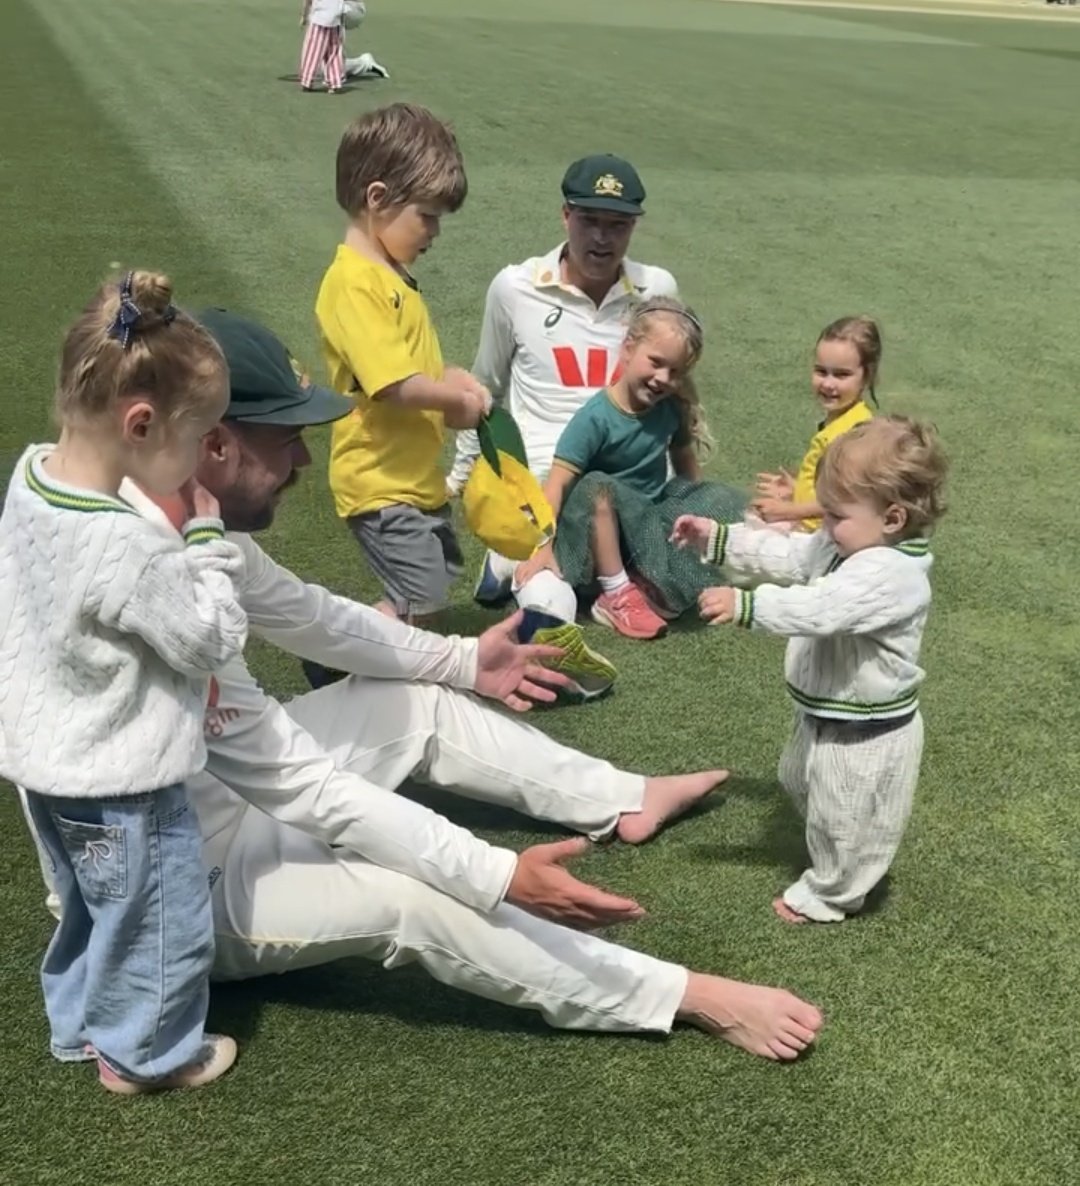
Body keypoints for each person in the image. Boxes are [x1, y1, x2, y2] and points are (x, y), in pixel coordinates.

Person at [18, 308, 824, 1062]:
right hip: (178, 885)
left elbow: (315, 617)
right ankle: (684, 994)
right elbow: (304, 785)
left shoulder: (166, 513)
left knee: (412, 702)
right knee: (415, 895)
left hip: (211, 805)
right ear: (213, 442)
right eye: (288, 438)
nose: (304, 459)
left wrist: (469, 662)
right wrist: (497, 874)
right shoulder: (154, 577)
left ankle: (624, 798)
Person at [1, 272, 249, 1094]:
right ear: (140, 424)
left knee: (88, 907)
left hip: (47, 767)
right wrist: (208, 538)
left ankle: (80, 1028)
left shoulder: (31, 479)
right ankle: (147, 1056)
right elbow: (208, 637)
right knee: (157, 919)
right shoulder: (129, 546)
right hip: (122, 780)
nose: (203, 456)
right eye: (200, 437)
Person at [673, 416, 948, 924]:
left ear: (891, 518)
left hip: (869, 729)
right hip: (824, 710)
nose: (823, 525)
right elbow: (789, 554)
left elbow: (822, 607)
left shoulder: (891, 575)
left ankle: (836, 892)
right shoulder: (845, 543)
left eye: (836, 515)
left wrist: (746, 605)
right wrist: (718, 539)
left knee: (844, 814)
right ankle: (840, 851)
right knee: (798, 780)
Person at [447, 156, 682, 693]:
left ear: (634, 226)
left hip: (628, 480)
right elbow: (485, 389)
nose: (602, 238)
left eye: (617, 225)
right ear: (565, 216)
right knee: (551, 578)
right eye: (589, 221)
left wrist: (677, 480)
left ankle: (509, 565)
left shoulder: (656, 288)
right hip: (543, 481)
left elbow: (672, 380)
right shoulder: (514, 287)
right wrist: (459, 481)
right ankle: (548, 641)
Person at [315, 103, 491, 630]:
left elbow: (410, 363)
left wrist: (450, 378)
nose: (434, 231)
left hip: (412, 477)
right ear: (377, 199)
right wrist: (454, 400)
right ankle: (403, 692)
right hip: (379, 481)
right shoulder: (354, 284)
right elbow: (392, 383)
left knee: (428, 579)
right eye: (428, 215)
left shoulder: (390, 276)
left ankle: (336, 657)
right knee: (425, 599)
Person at [516, 297, 745, 641]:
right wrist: (543, 545)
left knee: (721, 498)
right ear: (628, 349)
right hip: (591, 532)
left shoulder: (671, 409)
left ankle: (649, 583)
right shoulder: (595, 418)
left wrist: (699, 514)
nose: (662, 378)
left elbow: (688, 474)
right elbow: (557, 486)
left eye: (676, 371)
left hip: (644, 526)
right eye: (656, 362)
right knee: (597, 485)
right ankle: (615, 593)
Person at [752, 316, 881, 533]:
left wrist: (787, 511)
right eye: (821, 371)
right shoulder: (841, 420)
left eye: (841, 375)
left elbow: (849, 502)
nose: (828, 383)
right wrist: (798, 490)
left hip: (823, 541)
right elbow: (829, 489)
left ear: (867, 377)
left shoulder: (855, 434)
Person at [299, 0, 346, 93]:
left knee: (313, 50)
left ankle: (307, 80)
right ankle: (334, 81)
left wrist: (304, 16)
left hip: (319, 18)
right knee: (333, 51)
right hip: (335, 18)